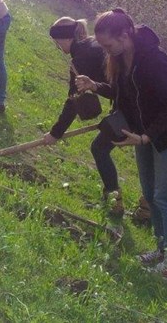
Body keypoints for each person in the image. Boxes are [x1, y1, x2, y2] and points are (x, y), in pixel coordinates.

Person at [75, 8, 167, 278]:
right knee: (150, 195)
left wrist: (147, 136)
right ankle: (160, 250)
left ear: (125, 35)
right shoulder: (121, 59)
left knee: (164, 196)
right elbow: (122, 93)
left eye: (108, 44)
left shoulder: (154, 59)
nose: (106, 49)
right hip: (141, 133)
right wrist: (95, 86)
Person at [41, 17, 126, 218]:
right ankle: (144, 208)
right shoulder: (89, 44)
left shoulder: (81, 58)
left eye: (58, 42)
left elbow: (73, 100)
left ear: (65, 39)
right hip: (127, 99)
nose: (58, 46)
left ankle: (115, 201)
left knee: (100, 147)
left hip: (131, 104)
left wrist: (55, 133)